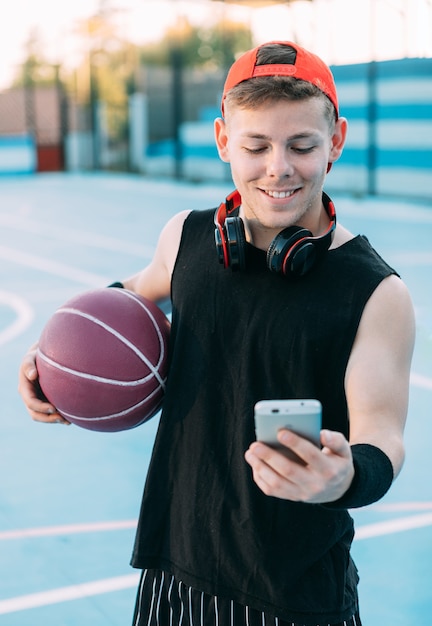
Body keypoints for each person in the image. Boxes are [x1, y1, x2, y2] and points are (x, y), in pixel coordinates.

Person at [18, 41, 415, 626]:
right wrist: (51, 360)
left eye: (301, 145)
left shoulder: (376, 292)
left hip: (294, 592)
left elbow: (384, 437)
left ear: (335, 142)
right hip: (174, 569)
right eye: (256, 145)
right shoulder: (185, 240)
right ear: (224, 139)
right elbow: (124, 296)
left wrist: (346, 474)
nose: (278, 166)